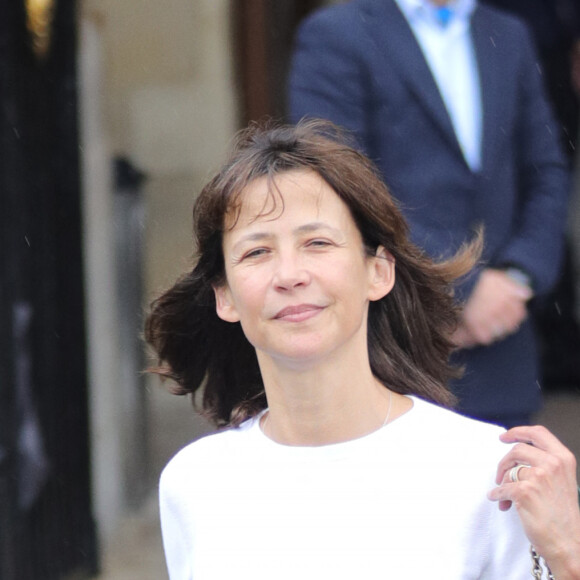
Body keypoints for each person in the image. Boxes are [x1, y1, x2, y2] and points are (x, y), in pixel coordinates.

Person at [145, 120, 580, 579]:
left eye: (317, 243)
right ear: (224, 296)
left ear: (378, 271)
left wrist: (569, 557)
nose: (289, 274)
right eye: (256, 252)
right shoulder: (194, 484)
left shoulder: (489, 475)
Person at [288, 0, 570, 427]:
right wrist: (463, 287)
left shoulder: (510, 34)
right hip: (394, 344)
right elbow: (337, 181)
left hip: (501, 342)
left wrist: (519, 277)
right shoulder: (336, 33)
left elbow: (546, 170)